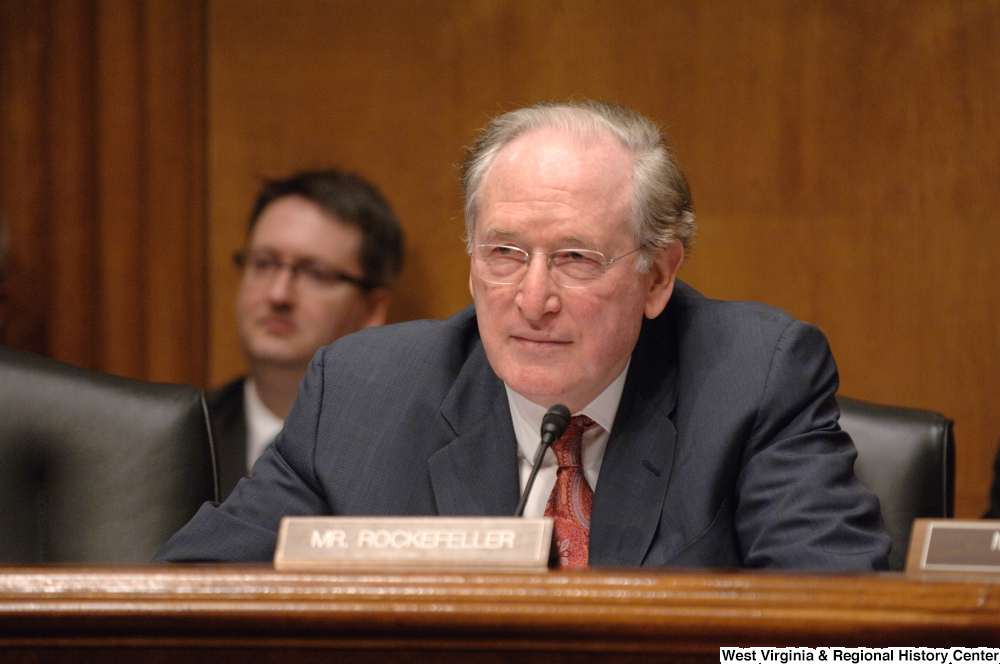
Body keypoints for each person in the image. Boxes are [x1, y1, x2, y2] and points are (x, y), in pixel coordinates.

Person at [158, 101, 890, 569]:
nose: (532, 299)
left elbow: (840, 630)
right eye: (505, 253)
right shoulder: (359, 394)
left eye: (575, 258)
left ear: (659, 276)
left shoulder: (753, 378)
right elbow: (192, 602)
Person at [212, 170, 404, 499]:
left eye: (316, 273)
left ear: (372, 310)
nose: (278, 294)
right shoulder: (185, 436)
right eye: (264, 263)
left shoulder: (405, 451)